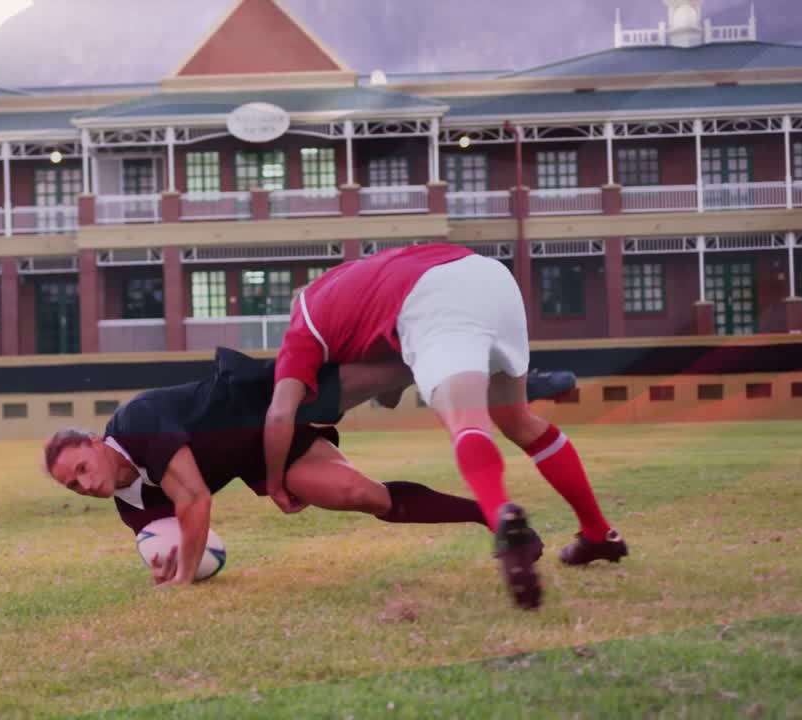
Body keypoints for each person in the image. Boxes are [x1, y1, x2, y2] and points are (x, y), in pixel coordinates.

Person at [264, 244, 628, 611]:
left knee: (466, 422)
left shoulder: (303, 329)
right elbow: (390, 392)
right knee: (517, 421)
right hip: (490, 277)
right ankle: (599, 534)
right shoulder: (356, 280)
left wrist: (275, 482)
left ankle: (500, 512)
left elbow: (280, 413)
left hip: (434, 300)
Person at [44, 348, 497, 587]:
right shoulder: (131, 507)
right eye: (73, 486)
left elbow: (195, 500)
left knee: (396, 369)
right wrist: (168, 564)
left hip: (264, 400)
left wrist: (183, 579)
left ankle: (508, 376)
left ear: (95, 443)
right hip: (258, 456)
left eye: (81, 468)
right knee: (364, 495)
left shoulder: (135, 420)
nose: (85, 485)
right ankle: (490, 514)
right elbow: (174, 540)